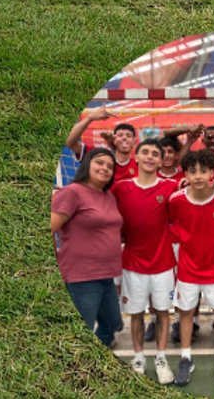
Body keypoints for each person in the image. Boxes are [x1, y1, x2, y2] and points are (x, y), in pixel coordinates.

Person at [112, 140, 179, 384]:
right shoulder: (121, 188)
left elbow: (198, 189)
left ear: (162, 161)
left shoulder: (172, 186)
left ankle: (161, 359)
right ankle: (138, 357)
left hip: (163, 264)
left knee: (162, 313)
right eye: (145, 153)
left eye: (155, 154)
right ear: (136, 157)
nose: (150, 157)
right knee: (136, 314)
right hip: (132, 265)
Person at [166, 152, 214, 386]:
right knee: (185, 313)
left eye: (203, 171)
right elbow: (170, 223)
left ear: (211, 174)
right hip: (187, 270)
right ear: (185, 174)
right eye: (192, 171)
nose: (198, 176)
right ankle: (186, 358)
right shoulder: (176, 201)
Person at [52, 147, 125, 348]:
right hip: (81, 276)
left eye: (110, 166)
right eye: (99, 163)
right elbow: (48, 227)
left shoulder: (108, 196)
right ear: (87, 164)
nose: (105, 168)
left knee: (114, 323)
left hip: (106, 274)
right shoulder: (73, 192)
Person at [65, 109, 139, 182]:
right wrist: (89, 118)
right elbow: (70, 142)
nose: (124, 138)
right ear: (114, 140)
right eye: (120, 135)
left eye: (128, 136)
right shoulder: (99, 156)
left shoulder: (139, 165)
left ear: (134, 142)